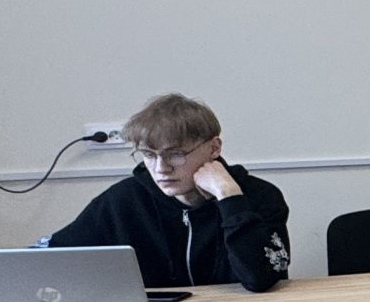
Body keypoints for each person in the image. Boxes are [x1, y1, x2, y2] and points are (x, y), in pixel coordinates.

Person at [47, 93, 290, 291]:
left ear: (214, 148)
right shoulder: (123, 200)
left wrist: (229, 198)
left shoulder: (260, 196)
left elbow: (262, 279)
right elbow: (54, 257)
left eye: (175, 154)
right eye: (149, 155)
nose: (161, 168)